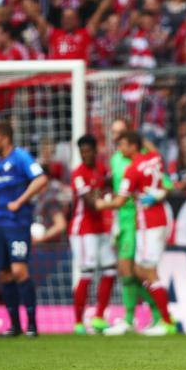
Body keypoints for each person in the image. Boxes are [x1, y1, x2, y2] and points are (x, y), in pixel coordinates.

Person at [96, 131, 176, 336]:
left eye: (123, 145)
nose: (120, 149)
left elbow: (120, 201)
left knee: (147, 271)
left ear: (133, 146)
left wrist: (101, 204)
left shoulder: (131, 171)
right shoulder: (154, 158)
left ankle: (166, 322)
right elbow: (165, 179)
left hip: (149, 223)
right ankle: (161, 317)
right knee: (140, 270)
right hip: (158, 218)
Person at [0, 120, 48, 337]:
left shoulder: (20, 157)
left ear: (5, 138)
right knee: (4, 274)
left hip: (18, 223)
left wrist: (20, 201)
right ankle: (14, 326)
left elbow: (41, 179)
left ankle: (32, 326)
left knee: (19, 270)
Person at [69, 134, 116, 335]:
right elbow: (90, 202)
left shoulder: (100, 169)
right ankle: (78, 322)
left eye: (88, 151)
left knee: (110, 270)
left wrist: (109, 189)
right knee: (87, 271)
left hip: (99, 229)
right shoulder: (78, 174)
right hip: (82, 230)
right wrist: (111, 200)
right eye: (82, 152)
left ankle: (98, 318)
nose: (85, 155)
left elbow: (108, 184)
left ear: (95, 152)